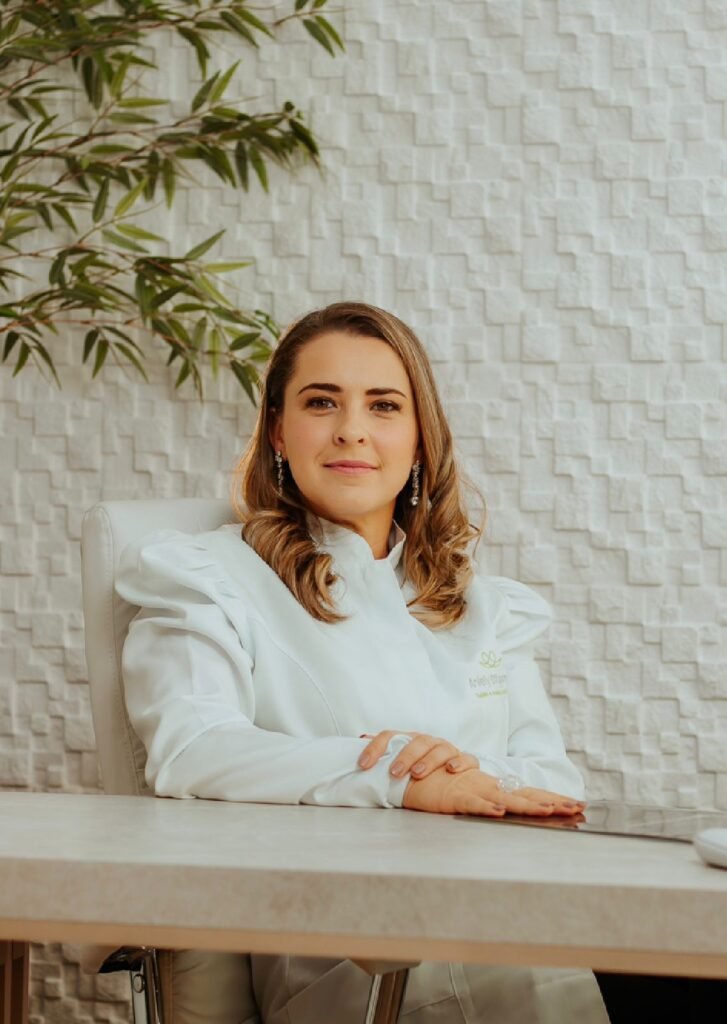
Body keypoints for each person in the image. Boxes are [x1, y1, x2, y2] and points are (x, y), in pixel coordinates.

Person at [116, 301, 610, 1023]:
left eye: (383, 405)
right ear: (278, 430)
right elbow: (193, 750)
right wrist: (399, 774)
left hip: (507, 922)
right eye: (322, 402)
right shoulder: (207, 577)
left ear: (419, 440)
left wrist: (466, 775)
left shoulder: (482, 605)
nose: (351, 429)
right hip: (349, 955)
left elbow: (554, 784)